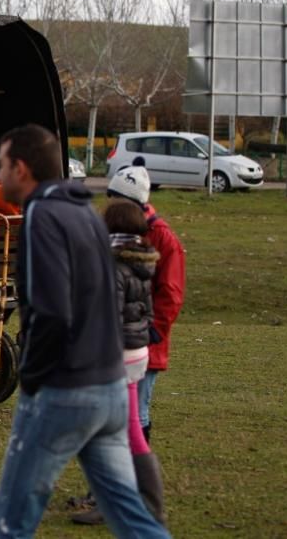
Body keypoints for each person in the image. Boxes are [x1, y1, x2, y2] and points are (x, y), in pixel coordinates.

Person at [0, 124, 169, 539]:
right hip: (108, 389)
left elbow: (53, 311)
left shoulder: (41, 215)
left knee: (10, 524)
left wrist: (31, 378)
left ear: (21, 168)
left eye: (1, 166)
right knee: (133, 519)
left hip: (66, 391)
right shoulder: (84, 213)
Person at [72, 199, 166, 525]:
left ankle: (116, 501)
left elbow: (107, 317)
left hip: (116, 356)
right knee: (124, 430)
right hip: (137, 352)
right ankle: (143, 504)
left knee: (113, 432)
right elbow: (145, 311)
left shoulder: (113, 266)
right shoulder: (143, 261)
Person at [106, 160, 186, 446]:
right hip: (123, 342)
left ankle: (135, 485)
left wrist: (152, 332)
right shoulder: (117, 233)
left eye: (117, 200)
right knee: (119, 417)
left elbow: (171, 294)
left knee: (135, 416)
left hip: (144, 343)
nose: (111, 206)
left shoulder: (163, 239)